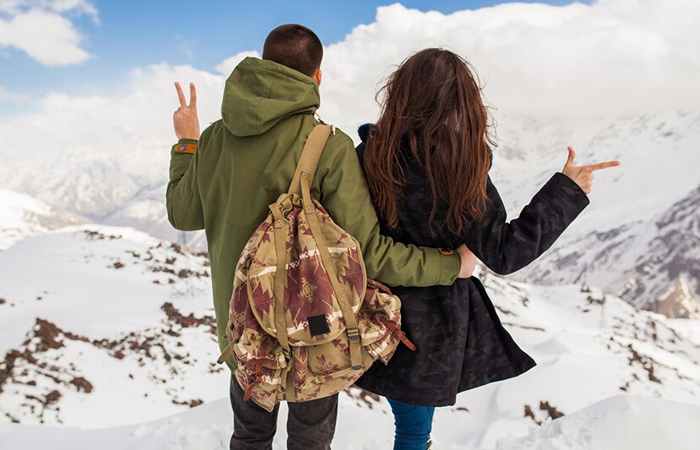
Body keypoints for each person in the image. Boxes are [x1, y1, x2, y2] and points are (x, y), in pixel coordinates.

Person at [166, 27, 476, 450]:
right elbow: (369, 254)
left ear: (262, 65)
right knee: (310, 441)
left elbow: (183, 214)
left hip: (242, 329)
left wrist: (187, 143)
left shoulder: (216, 139)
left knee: (250, 436)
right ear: (317, 77)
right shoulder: (327, 145)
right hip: (312, 330)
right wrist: (451, 265)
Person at [354, 48, 621, 450]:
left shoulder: (367, 155)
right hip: (429, 329)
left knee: (404, 427)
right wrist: (567, 191)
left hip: (368, 310)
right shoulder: (458, 168)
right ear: (463, 102)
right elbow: (506, 252)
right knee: (413, 434)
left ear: (400, 94)